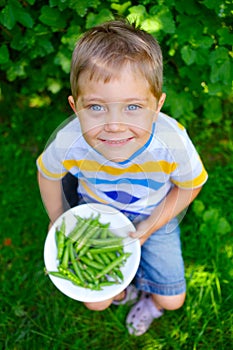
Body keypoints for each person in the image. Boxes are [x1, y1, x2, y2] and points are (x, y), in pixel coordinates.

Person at [37, 19, 208, 336]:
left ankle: (149, 300)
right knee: (97, 299)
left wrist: (151, 225)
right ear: (76, 107)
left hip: (154, 214)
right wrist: (57, 216)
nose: (114, 125)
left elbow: (192, 183)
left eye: (132, 106)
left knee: (172, 301)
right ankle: (122, 291)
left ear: (157, 106)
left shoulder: (171, 140)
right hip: (97, 215)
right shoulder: (69, 139)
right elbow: (47, 174)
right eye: (97, 107)